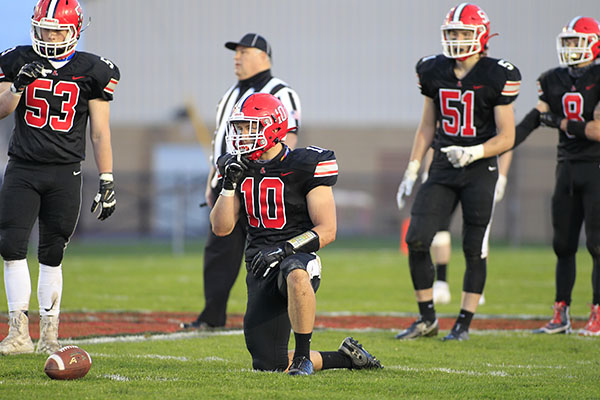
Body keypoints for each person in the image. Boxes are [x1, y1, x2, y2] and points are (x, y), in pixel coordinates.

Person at [211, 92, 382, 374]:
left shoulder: (304, 164)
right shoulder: (236, 166)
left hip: (299, 257)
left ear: (273, 127)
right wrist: (228, 186)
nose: (241, 135)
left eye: (248, 127)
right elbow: (221, 228)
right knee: (268, 364)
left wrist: (284, 249)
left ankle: (303, 355)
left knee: (295, 271)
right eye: (238, 128)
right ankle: (347, 357)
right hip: (259, 265)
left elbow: (328, 229)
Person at [395, 3, 520, 341]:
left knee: (474, 246)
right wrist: (412, 166)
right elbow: (426, 125)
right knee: (417, 238)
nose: (457, 39)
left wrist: (475, 151)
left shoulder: (497, 74)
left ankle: (463, 323)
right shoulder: (433, 70)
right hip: (443, 166)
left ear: (481, 35)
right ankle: (427, 319)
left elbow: (507, 136)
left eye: (464, 33)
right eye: (452, 33)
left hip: (480, 168)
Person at [0, 0, 119, 355]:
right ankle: (18, 332)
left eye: (57, 29)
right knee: (10, 246)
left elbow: (100, 132)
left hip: (66, 171)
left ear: (74, 32)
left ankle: (49, 333)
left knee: (53, 252)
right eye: (44, 28)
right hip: (23, 166)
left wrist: (108, 178)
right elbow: (1, 110)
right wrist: (16, 88)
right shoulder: (16, 59)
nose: (50, 35)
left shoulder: (94, 69)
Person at [181, 33, 301, 330]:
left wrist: (277, 178)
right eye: (236, 52)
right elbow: (221, 140)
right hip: (230, 179)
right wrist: (214, 177)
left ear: (265, 57)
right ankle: (212, 314)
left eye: (245, 52)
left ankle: (280, 314)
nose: (237, 57)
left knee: (269, 245)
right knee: (219, 245)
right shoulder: (230, 93)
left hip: (262, 180)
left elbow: (289, 137)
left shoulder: (281, 91)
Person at [512, 16, 600, 336]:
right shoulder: (552, 79)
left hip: (595, 169)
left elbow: (598, 130)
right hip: (566, 168)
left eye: (577, 41)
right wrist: (498, 145)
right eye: (568, 41)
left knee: (597, 245)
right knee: (563, 245)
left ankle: (597, 312)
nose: (570, 48)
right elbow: (533, 119)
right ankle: (561, 312)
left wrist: (561, 123)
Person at [423, 150, 513, 305]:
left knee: (479, 232)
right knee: (440, 227)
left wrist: (502, 176)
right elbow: (433, 138)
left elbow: (506, 140)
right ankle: (441, 283)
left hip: (479, 174)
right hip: (448, 174)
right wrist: (427, 171)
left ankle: (477, 286)